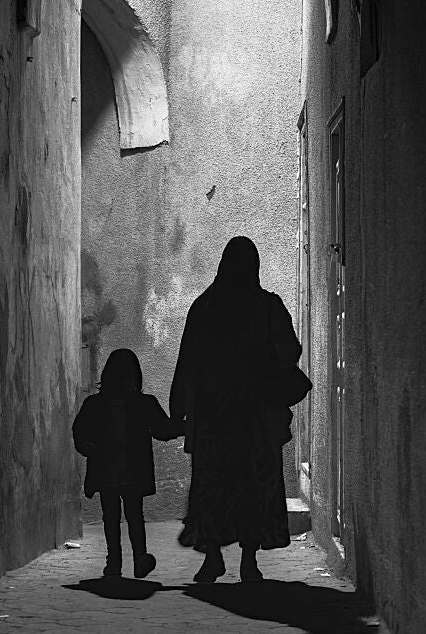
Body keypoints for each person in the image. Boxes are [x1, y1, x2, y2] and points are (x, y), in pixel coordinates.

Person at [170, 235, 310, 584]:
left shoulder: (205, 308)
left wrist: (180, 409)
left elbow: (188, 362)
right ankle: (247, 561)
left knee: (217, 486)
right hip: (251, 419)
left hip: (221, 418)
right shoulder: (266, 307)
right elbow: (290, 351)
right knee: (249, 487)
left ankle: (216, 558)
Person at [72, 348, 180, 580]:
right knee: (126, 516)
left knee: (116, 516)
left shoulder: (97, 404)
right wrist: (182, 426)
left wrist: (87, 446)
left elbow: (79, 431)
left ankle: (120, 562)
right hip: (123, 471)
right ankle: (130, 559)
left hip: (113, 471)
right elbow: (162, 430)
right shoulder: (141, 403)